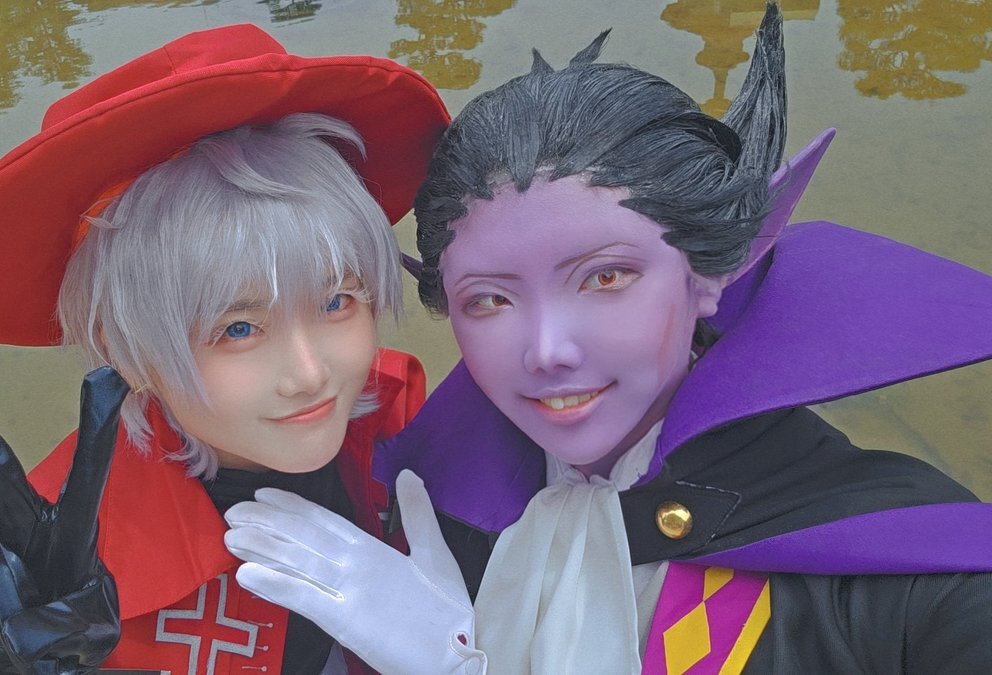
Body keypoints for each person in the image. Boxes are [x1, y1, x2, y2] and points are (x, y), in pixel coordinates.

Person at [225, 5, 992, 672]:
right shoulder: (431, 508)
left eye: (605, 277)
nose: (546, 350)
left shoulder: (908, 572)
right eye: (489, 298)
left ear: (708, 273)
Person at [0, 25, 465, 674]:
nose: (311, 374)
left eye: (337, 300)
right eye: (238, 329)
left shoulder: (411, 432)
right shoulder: (41, 582)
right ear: (128, 349)